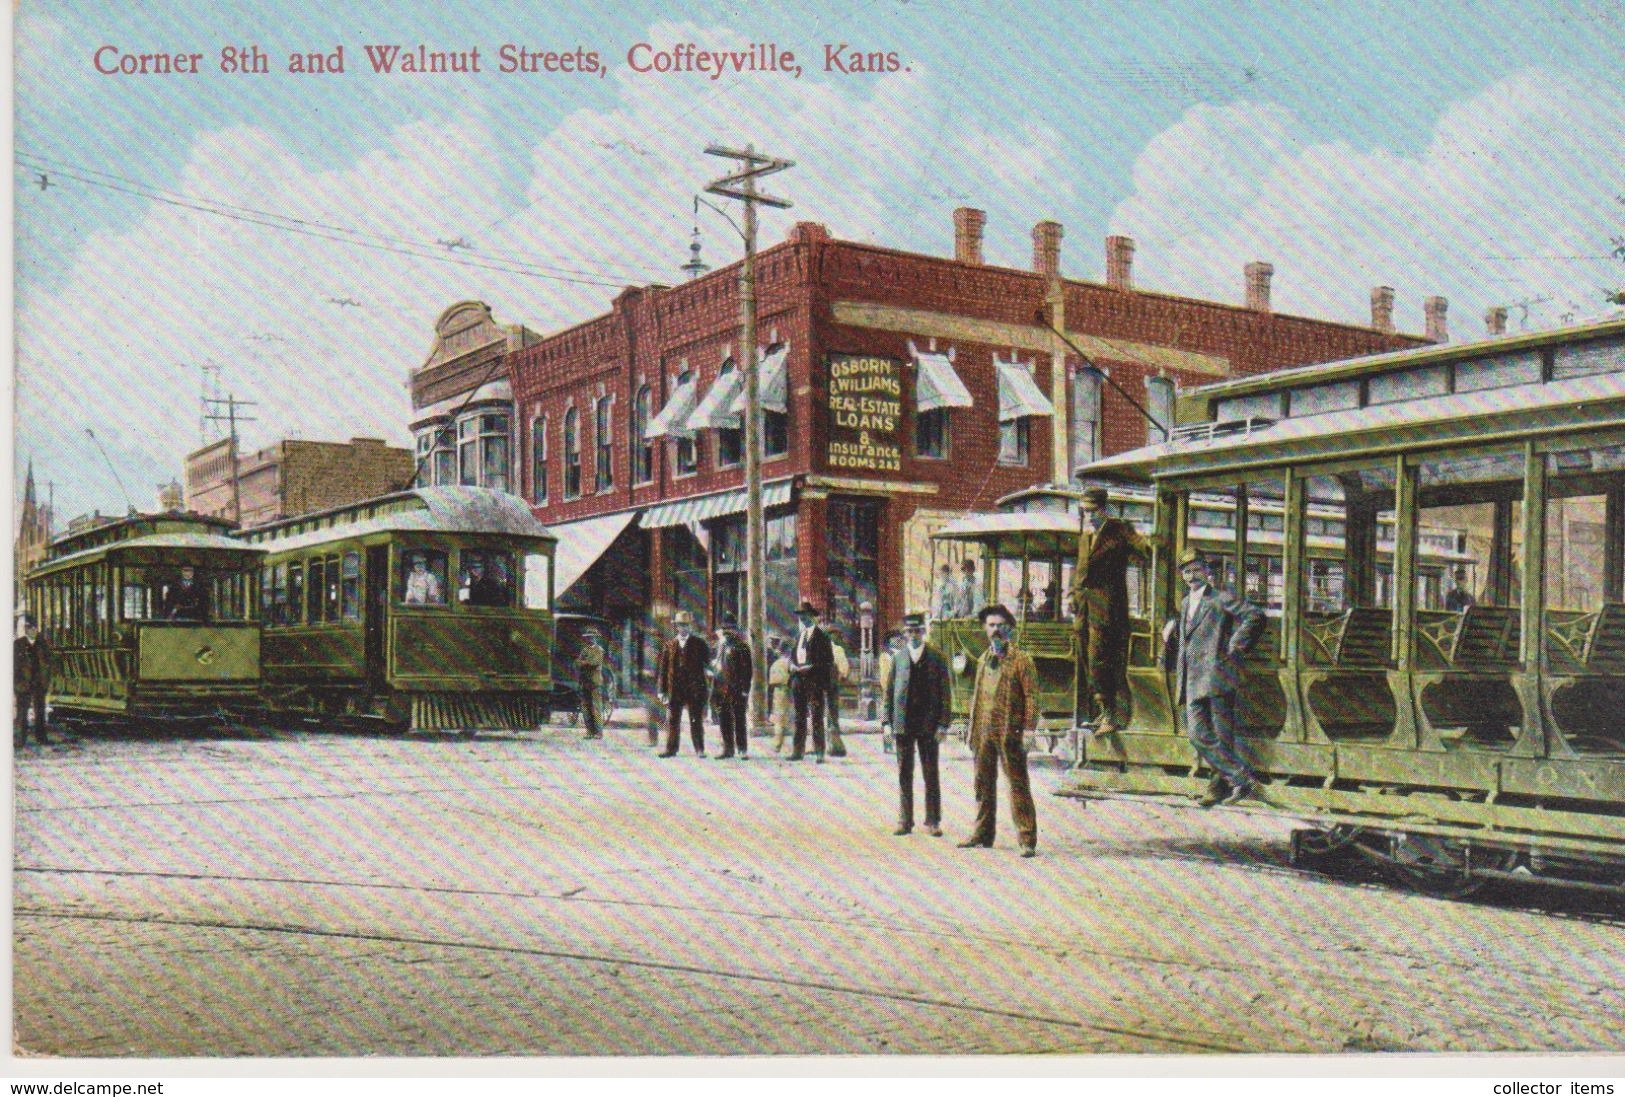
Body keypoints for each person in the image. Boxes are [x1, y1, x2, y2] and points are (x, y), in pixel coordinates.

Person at [1164, 548, 1267, 808]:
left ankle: (1220, 786)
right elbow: (1192, 635)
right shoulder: (1187, 602)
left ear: (1207, 572)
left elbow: (1254, 615)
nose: (1192, 576)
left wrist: (1235, 645)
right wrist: (1174, 630)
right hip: (1193, 679)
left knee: (1221, 737)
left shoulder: (1220, 598)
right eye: (1187, 571)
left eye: (1197, 570)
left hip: (1217, 676)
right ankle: (1241, 779)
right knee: (1197, 734)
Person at [1069, 485, 1153, 737]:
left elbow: (1145, 552)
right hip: (1083, 610)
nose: (1090, 516)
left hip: (1108, 611)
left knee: (1101, 660)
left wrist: (1148, 538)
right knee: (1086, 659)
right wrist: (1072, 594)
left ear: (1104, 509)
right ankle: (1102, 711)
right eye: (1085, 512)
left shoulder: (1119, 531)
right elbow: (1080, 571)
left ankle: (1112, 713)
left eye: (1093, 511)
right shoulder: (1085, 538)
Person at [958, 604, 1041, 857]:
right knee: (982, 783)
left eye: (1001, 625)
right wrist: (971, 728)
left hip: (1010, 732)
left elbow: (1032, 697)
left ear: (1010, 629)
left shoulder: (1022, 661)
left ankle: (1027, 839)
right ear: (985, 629)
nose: (996, 630)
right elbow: (977, 696)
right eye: (991, 625)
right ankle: (983, 833)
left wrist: (1028, 730)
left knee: (1017, 784)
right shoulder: (983, 659)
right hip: (984, 731)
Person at [883, 612, 951, 837]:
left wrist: (943, 724)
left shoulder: (936, 658)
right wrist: (886, 723)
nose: (913, 635)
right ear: (904, 634)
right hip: (903, 723)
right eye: (909, 631)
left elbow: (945, 693)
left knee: (930, 772)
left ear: (923, 632)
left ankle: (933, 820)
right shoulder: (899, 658)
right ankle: (905, 820)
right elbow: (889, 692)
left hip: (928, 725)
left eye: (917, 631)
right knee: (904, 772)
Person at [656, 610, 711, 757]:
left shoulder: (699, 644)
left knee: (696, 719)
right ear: (676, 627)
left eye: (686, 625)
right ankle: (671, 749)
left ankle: (700, 749)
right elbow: (663, 669)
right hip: (675, 689)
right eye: (681, 625)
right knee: (673, 719)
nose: (684, 628)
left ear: (690, 626)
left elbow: (709, 663)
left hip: (694, 688)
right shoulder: (669, 645)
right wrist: (662, 690)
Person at [787, 600, 834, 763]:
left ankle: (820, 752)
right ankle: (797, 751)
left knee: (816, 716)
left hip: (814, 682)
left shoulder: (822, 637)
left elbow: (828, 662)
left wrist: (811, 667)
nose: (803, 619)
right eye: (800, 616)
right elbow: (792, 657)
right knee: (799, 717)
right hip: (798, 681)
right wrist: (792, 665)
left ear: (812, 617)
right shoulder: (799, 636)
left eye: (806, 616)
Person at [709, 615, 754, 760]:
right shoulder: (721, 646)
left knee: (739, 719)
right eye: (725, 629)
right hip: (722, 689)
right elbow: (717, 666)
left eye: (730, 629)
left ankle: (742, 749)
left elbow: (748, 671)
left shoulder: (742, 647)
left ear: (735, 630)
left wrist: (745, 689)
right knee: (724, 719)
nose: (727, 632)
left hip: (737, 689)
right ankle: (727, 749)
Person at [15, 616, 51, 747]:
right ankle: (20, 739)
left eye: (35, 628)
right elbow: (13, 666)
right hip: (23, 684)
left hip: (38, 683)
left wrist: (46, 682)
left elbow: (48, 664)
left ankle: (41, 738)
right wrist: (16, 684)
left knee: (40, 711)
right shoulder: (18, 644)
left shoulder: (43, 644)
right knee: (22, 713)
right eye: (30, 628)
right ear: (26, 629)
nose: (33, 630)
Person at [824, 618, 851, 758]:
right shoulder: (837, 649)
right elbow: (844, 668)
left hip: (821, 684)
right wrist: (841, 676)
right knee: (832, 713)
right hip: (831, 684)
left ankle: (827, 743)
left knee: (823, 714)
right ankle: (833, 743)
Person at [574, 627, 606, 740]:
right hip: (585, 682)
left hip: (595, 682)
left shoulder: (600, 650)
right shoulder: (585, 650)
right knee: (585, 708)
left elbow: (594, 662)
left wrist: (583, 662)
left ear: (596, 638)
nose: (590, 639)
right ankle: (589, 731)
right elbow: (577, 663)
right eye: (588, 637)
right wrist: (584, 662)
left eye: (592, 637)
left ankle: (598, 732)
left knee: (596, 708)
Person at [876, 629, 903, 754]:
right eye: (894, 638)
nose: (897, 640)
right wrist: (887, 689)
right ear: (890, 640)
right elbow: (885, 675)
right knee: (888, 716)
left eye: (899, 637)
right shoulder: (886, 656)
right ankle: (887, 743)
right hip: (891, 690)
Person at [767, 636, 793, 754]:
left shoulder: (777, 663)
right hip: (791, 690)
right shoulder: (791, 663)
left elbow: (772, 680)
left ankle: (778, 744)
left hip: (780, 691)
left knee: (780, 719)